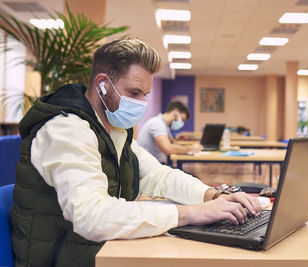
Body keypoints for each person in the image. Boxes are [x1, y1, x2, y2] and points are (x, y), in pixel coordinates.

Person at [11, 39, 261, 267]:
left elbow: (158, 176)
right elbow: (91, 216)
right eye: (134, 93)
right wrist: (189, 213)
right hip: (60, 259)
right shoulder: (66, 129)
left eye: (145, 95)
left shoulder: (114, 130)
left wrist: (211, 195)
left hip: (97, 249)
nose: (142, 102)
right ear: (102, 85)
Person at [137, 101, 203, 163]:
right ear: (175, 112)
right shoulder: (157, 123)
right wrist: (191, 148)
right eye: (182, 120)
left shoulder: (165, 125)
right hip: (149, 165)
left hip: (154, 163)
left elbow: (172, 142)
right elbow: (167, 148)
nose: (181, 123)